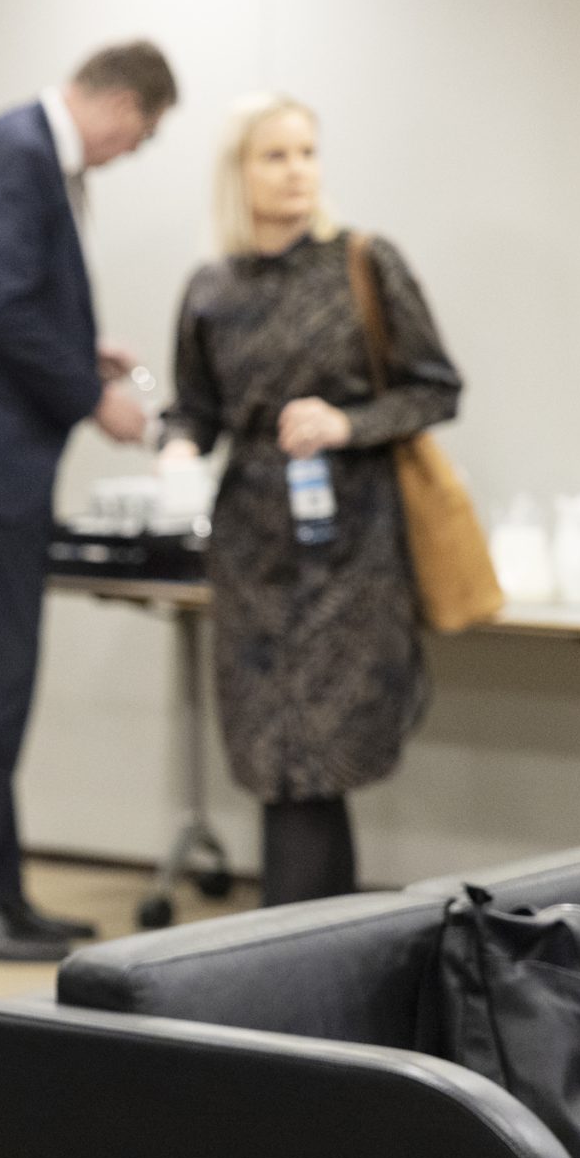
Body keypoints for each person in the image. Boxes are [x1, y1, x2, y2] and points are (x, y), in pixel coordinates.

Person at [0, 40, 177, 962]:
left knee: (2, 677)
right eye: (140, 138)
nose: (128, 154)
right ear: (124, 107)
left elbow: (9, 304)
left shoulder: (15, 145)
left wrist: (78, 349)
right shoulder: (22, 154)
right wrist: (93, 397)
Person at [158, 95, 463, 905]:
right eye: (276, 156)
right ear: (239, 173)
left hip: (353, 553)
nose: (298, 172)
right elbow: (195, 407)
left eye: (308, 153)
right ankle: (316, 947)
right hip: (252, 557)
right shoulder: (211, 286)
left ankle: (295, 944)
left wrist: (346, 423)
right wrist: (178, 445)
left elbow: (436, 390)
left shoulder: (364, 262)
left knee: (320, 758)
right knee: (276, 763)